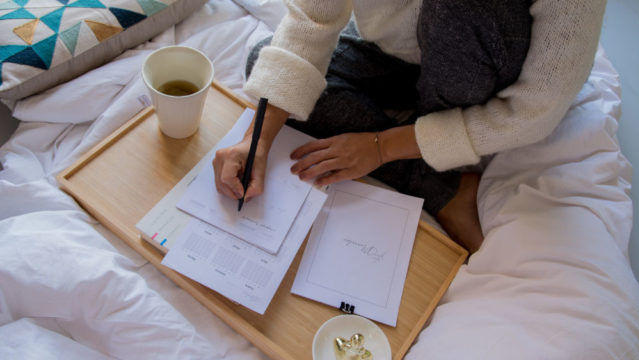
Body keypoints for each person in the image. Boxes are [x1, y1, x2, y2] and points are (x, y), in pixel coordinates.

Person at [213, 0, 606, 253]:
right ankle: (440, 185)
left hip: (482, 67)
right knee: (266, 62)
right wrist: (258, 140)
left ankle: (444, 176)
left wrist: (382, 146)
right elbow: (313, 19)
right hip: (395, 55)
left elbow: (535, 111)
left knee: (456, 11)